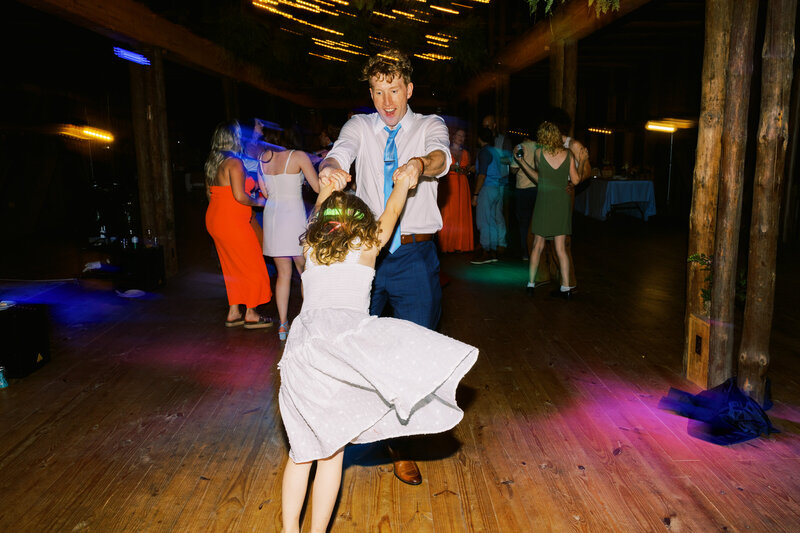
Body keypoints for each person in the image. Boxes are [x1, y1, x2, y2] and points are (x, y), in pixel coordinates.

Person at [278, 172, 477, 533]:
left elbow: (320, 212)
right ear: (364, 226)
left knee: (301, 452)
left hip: (304, 350)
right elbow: (394, 208)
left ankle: (289, 530)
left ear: (322, 226)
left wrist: (327, 187)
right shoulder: (369, 245)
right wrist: (403, 183)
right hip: (342, 351)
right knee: (331, 453)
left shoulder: (311, 248)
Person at [318, 49, 451, 485]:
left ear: (408, 89)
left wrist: (418, 164)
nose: (387, 101)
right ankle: (354, 425)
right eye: (378, 91)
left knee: (414, 352)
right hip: (364, 259)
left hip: (414, 256)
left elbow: (441, 158)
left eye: (394, 90)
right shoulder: (360, 125)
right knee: (354, 344)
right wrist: (332, 170)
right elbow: (339, 153)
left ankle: (402, 445)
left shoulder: (429, 125)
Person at [204, 121, 273, 328]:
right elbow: (240, 197)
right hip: (232, 222)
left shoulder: (212, 163)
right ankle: (251, 313)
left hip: (215, 220)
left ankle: (234, 311)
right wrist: (261, 202)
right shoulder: (234, 163)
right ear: (234, 138)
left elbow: (210, 194)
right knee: (253, 265)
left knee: (231, 266)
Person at [257, 130, 320, 340]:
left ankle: (283, 325)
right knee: (304, 271)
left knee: (283, 273)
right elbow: (318, 187)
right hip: (293, 217)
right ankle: (308, 323)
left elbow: (265, 193)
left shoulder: (262, 160)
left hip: (273, 217)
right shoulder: (298, 156)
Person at [516, 121, 583, 298]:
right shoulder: (568, 154)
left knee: (537, 245)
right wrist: (581, 162)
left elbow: (540, 179)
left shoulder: (539, 153)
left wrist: (522, 162)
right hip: (561, 202)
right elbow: (575, 181)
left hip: (544, 201)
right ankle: (566, 288)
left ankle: (530, 284)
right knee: (560, 248)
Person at [470, 127, 508, 264]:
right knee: (491, 220)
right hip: (496, 188)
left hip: (487, 188)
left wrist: (475, 194)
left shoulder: (484, 152)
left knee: (483, 221)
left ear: (479, 138)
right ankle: (492, 251)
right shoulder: (494, 151)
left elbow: (482, 175)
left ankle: (486, 252)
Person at [438, 128, 474, 253]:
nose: (461, 138)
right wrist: (451, 168)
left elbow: (469, 169)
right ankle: (446, 245)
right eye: (459, 135)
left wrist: (467, 171)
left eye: (463, 136)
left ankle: (460, 245)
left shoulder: (466, 153)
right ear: (453, 136)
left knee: (461, 213)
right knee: (449, 214)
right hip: (450, 184)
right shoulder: (446, 150)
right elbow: (440, 168)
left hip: (463, 184)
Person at [481, 114, 513, 256]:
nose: (486, 128)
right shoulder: (483, 141)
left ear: (494, 125)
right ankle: (490, 243)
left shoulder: (503, 140)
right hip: (487, 182)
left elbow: (510, 160)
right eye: (484, 126)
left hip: (500, 181)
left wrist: (495, 156)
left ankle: (501, 243)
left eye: (488, 125)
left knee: (497, 213)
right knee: (488, 215)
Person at [510, 135, 539, 261]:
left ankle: (526, 253)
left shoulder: (520, 147)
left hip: (523, 189)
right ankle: (537, 252)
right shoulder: (541, 147)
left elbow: (513, 170)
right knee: (536, 223)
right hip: (538, 188)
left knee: (523, 223)